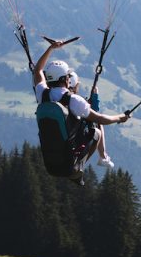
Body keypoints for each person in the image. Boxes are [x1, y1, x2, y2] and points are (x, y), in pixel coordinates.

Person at [33, 39, 128, 170]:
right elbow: (100, 119)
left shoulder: (41, 93)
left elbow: (37, 70)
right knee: (96, 133)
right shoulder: (74, 100)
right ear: (64, 79)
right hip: (70, 152)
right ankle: (78, 167)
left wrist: (50, 48)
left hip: (50, 152)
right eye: (67, 76)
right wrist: (120, 117)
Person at [68, 70, 114, 168]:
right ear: (75, 86)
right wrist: (95, 96)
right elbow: (95, 113)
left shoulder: (56, 97)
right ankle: (103, 156)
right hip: (74, 138)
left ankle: (103, 156)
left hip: (62, 137)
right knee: (97, 123)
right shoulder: (75, 101)